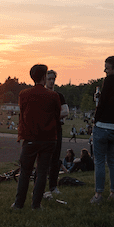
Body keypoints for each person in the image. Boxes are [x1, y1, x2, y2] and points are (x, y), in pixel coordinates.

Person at [12, 64, 61, 210]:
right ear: (44, 77)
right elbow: (57, 115)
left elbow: (23, 114)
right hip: (48, 138)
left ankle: (19, 204)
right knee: (42, 172)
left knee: (25, 172)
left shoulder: (24, 94)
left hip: (30, 138)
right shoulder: (53, 96)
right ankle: (36, 204)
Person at [90, 56, 114, 204]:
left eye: (107, 67)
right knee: (112, 161)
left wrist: (96, 118)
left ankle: (98, 195)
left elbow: (104, 102)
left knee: (99, 161)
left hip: (103, 125)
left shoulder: (108, 81)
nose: (105, 70)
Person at [44, 69, 70, 199]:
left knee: (55, 160)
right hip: (44, 131)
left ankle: (53, 186)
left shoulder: (59, 96)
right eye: (49, 78)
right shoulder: (42, 95)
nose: (51, 81)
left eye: (53, 78)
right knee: (43, 160)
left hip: (56, 130)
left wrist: (51, 117)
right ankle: (42, 187)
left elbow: (65, 112)